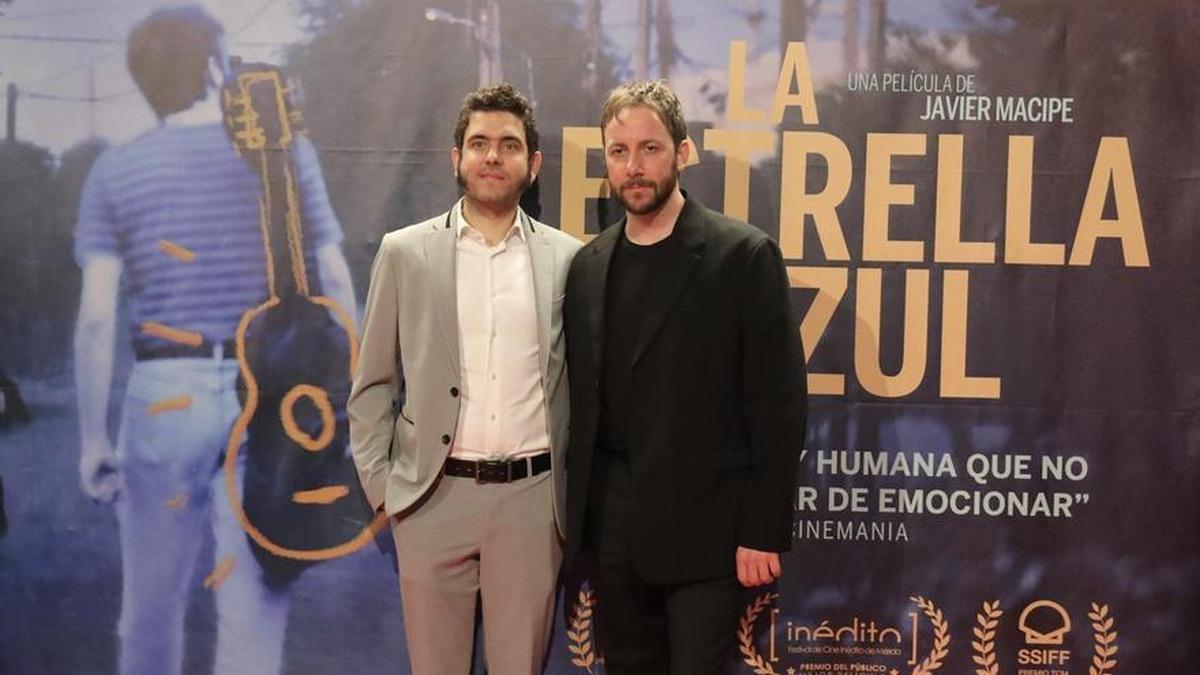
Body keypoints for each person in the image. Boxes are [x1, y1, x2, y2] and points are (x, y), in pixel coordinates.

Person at [73, 6, 356, 674]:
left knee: (149, 609)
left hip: (163, 397)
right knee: (253, 614)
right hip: (266, 398)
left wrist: (93, 438)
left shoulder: (115, 172)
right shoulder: (282, 158)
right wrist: (358, 397)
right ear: (210, 68)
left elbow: (95, 314)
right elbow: (336, 276)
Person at [562, 80, 807, 674]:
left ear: (683, 152)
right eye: (618, 152)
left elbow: (780, 407)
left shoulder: (741, 256)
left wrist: (763, 530)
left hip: (709, 535)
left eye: (649, 149)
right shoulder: (589, 264)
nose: (633, 167)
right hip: (613, 535)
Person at [348, 83, 580, 675]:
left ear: (533, 164)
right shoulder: (405, 252)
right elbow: (371, 383)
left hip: (532, 504)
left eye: (508, 144)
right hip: (431, 500)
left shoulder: (569, 259)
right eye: (479, 143)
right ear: (457, 159)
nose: (492, 156)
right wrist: (387, 492)